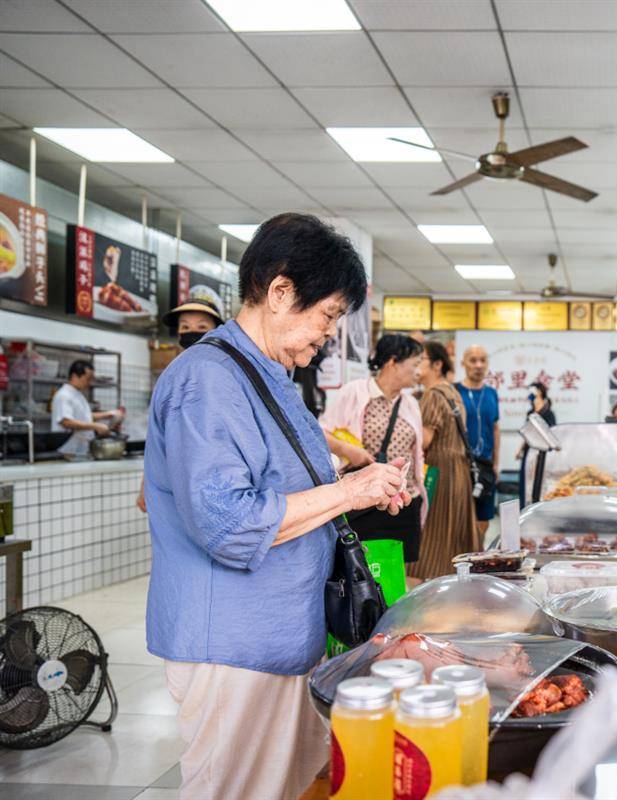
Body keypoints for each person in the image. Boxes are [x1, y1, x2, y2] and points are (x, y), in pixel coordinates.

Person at [143, 213, 410, 800]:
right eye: (328, 315)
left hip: (282, 635)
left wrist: (365, 485)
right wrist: (349, 492)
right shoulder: (208, 379)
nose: (328, 334)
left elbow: (290, 484)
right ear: (281, 291)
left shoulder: (268, 374)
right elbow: (230, 524)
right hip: (234, 644)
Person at [320, 333, 426, 600]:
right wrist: (350, 452)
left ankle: (396, 620)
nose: (418, 371)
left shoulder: (410, 403)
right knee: (363, 568)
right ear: (393, 362)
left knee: (398, 573)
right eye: (414, 364)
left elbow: (416, 452)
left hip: (403, 501)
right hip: (365, 503)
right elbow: (321, 431)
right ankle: (364, 619)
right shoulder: (355, 392)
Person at [138, 299, 226, 512]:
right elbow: (161, 436)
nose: (191, 332)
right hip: (177, 486)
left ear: (218, 330)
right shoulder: (173, 375)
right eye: (185, 327)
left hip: (218, 485)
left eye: (201, 326)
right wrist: (146, 484)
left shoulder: (226, 371)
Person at [410, 340, 477, 578]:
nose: (416, 365)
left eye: (421, 360)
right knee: (452, 532)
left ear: (437, 365)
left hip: (439, 471)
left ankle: (427, 582)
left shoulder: (432, 395)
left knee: (433, 531)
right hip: (458, 471)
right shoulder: (452, 393)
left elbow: (425, 439)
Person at [456, 345, 500, 539]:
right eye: (473, 360)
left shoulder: (491, 393)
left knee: (483, 520)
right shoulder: (455, 391)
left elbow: (495, 428)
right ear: (463, 363)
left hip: (485, 466)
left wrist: (496, 463)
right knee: (461, 518)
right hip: (460, 465)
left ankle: (479, 552)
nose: (478, 365)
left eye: (483, 360)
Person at [51, 360, 122, 458]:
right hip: (68, 451)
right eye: (88, 379)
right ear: (75, 376)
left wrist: (107, 414)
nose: (90, 383)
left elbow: (84, 416)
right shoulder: (64, 395)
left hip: (80, 450)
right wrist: (96, 426)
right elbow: (66, 421)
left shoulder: (78, 394)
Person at [517, 382, 557, 507]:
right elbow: (527, 432)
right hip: (529, 450)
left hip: (543, 452)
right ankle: (525, 507)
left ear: (539, 391)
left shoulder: (548, 413)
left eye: (532, 390)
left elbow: (551, 433)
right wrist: (520, 450)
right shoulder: (530, 412)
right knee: (526, 480)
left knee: (540, 481)